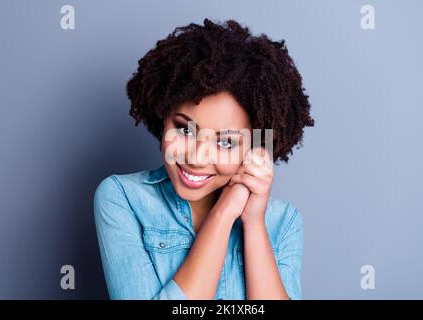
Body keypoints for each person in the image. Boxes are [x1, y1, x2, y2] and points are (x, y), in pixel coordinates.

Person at [93, 18, 314, 300]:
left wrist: (254, 222)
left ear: (258, 146)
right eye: (184, 129)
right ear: (163, 116)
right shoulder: (122, 199)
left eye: (225, 142)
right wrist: (223, 214)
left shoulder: (283, 221)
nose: (196, 157)